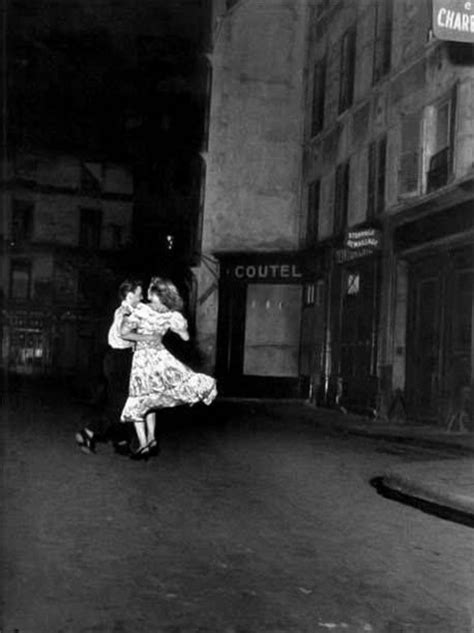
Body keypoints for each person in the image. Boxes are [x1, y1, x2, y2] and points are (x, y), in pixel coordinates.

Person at [120, 276, 217, 459]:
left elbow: (124, 333)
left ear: (156, 294)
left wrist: (151, 336)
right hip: (160, 358)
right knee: (152, 399)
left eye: (151, 291)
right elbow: (186, 338)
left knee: (140, 399)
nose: (148, 294)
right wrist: (179, 329)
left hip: (144, 360)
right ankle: (151, 439)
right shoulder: (171, 314)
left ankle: (144, 444)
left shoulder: (143, 310)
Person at [75, 279, 159, 454]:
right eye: (139, 294)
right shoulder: (126, 312)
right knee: (120, 405)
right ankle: (88, 432)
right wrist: (148, 339)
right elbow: (124, 333)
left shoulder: (125, 310)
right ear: (130, 295)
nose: (142, 297)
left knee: (120, 402)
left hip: (118, 359)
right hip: (119, 360)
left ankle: (120, 441)